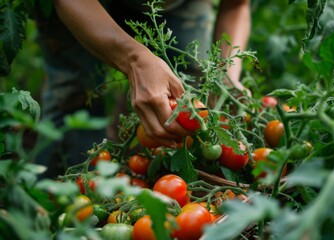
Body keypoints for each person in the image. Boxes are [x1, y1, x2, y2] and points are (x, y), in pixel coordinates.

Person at [34, 0, 251, 178]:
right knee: (73, 97)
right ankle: (61, 204)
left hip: (178, 4)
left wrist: (226, 76)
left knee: (184, 99)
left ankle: (145, 180)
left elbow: (236, 4)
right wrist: (134, 60)